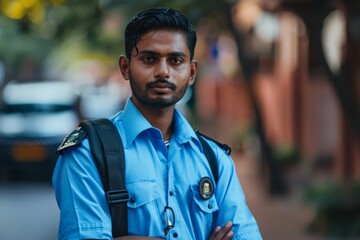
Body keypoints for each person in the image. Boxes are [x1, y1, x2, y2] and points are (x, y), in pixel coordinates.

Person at [52, 7, 262, 240]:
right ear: (125, 67)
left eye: (175, 60)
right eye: (149, 59)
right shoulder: (88, 153)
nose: (163, 72)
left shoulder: (215, 160)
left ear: (191, 72)